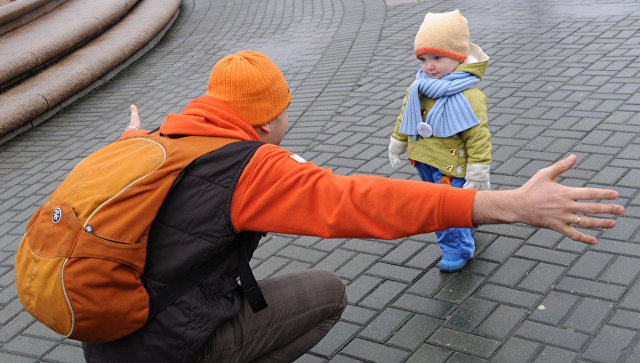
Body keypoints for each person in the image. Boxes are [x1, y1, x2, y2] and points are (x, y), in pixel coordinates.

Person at [83, 51, 623, 363]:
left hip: (106, 337)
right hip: (168, 347)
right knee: (327, 292)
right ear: (267, 121)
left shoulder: (154, 142)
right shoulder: (250, 167)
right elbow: (358, 202)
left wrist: (132, 136)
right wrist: (509, 205)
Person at [388, 10, 492, 272]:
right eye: (423, 58)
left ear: (457, 57)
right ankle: (468, 220)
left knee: (441, 211)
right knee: (453, 206)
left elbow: (478, 134)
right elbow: (405, 115)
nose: (428, 66)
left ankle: (457, 249)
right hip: (424, 159)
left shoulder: (469, 95)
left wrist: (479, 167)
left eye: (437, 57)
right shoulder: (418, 87)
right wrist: (398, 141)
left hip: (452, 165)